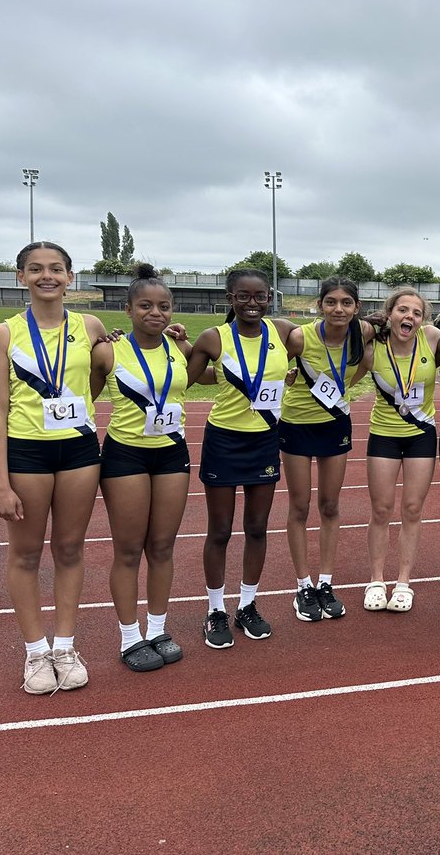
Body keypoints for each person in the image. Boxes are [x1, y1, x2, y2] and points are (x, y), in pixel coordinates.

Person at [0, 241, 107, 693]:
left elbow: (101, 378)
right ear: (20, 277)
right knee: (27, 553)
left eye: (56, 269)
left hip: (78, 450)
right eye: (35, 269)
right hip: (27, 454)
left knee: (71, 549)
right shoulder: (3, 333)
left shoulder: (90, 325)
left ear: (71, 277)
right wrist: (0, 484)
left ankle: (65, 645)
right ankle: (35, 651)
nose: (46, 276)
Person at [185, 269, 304, 649]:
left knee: (257, 528)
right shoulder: (213, 338)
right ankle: (216, 609)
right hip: (224, 440)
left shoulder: (283, 331)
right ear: (230, 298)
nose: (252, 303)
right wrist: (176, 344)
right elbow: (181, 378)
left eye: (260, 296)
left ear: (270, 298)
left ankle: (247, 605)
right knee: (220, 530)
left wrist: (373, 323)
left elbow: (326, 341)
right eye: (243, 296)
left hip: (266, 440)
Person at [95, 265, 197, 671]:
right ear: (128, 309)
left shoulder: (179, 347)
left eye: (164, 306)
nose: (156, 313)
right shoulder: (108, 350)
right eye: (145, 306)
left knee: (162, 546)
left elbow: (204, 375)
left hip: (172, 453)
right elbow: (77, 394)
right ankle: (129, 636)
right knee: (128, 549)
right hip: (126, 455)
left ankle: (157, 628)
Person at [280, 277, 371, 622]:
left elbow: (366, 363)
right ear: (319, 305)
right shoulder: (301, 337)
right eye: (331, 302)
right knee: (300, 506)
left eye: (346, 303)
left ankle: (326, 582)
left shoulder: (363, 335)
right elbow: (271, 364)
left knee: (330, 505)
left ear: (356, 308)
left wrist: (347, 384)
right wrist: (287, 378)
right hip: (297, 425)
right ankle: (303, 584)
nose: (338, 309)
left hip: (335, 424)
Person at [363, 287, 440, 613]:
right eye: (402, 310)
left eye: (416, 312)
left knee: (412, 510)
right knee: (381, 510)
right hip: (383, 434)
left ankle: (402, 582)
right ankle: (375, 580)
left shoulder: (431, 338)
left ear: (422, 319)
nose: (409, 317)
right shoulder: (374, 348)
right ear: (390, 313)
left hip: (421, 436)